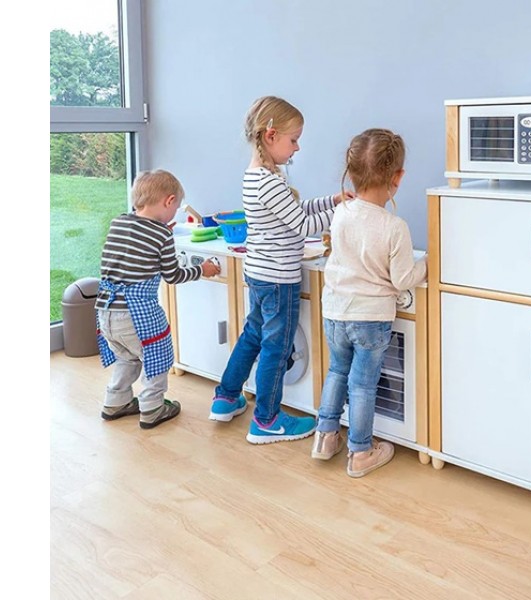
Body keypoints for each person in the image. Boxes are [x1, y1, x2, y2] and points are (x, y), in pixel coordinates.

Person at [209, 96, 351, 444]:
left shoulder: (256, 177)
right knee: (276, 348)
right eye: (294, 140)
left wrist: (332, 201)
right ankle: (267, 419)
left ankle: (226, 397)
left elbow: (295, 210)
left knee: (252, 336)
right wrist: (343, 212)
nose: (297, 147)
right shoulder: (270, 182)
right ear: (271, 136)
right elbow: (302, 225)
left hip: (259, 274)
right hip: (278, 279)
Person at [311, 128, 427, 477]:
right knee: (362, 384)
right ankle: (361, 452)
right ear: (398, 177)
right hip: (370, 318)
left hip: (335, 311)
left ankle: (325, 437)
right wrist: (428, 263)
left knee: (337, 371)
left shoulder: (341, 212)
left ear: (352, 173)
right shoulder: (394, 226)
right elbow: (403, 279)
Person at [96, 169, 221, 429]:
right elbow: (173, 275)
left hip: (106, 311)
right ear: (169, 201)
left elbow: (132, 251)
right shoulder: (162, 234)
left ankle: (115, 401)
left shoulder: (118, 222)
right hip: (136, 313)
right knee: (157, 356)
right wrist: (202, 269)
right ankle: (153, 408)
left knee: (127, 358)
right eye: (175, 208)